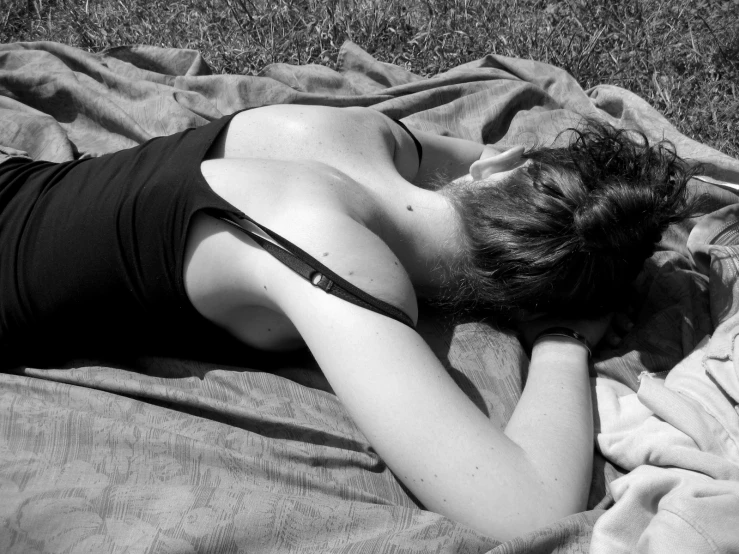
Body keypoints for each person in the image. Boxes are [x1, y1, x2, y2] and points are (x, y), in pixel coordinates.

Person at [0, 105, 697, 539]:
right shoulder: (337, 262)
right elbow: (526, 509)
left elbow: (466, 161)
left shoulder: (356, 133)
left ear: (507, 163)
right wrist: (563, 341)